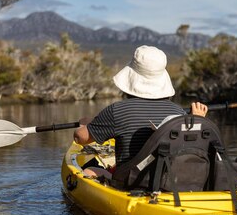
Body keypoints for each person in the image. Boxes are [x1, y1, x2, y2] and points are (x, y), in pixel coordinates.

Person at [74, 45, 208, 178]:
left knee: (89, 171)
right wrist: (196, 120)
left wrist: (85, 127)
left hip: (129, 182)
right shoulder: (179, 112)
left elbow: (80, 138)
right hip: (166, 181)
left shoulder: (116, 111)